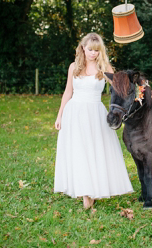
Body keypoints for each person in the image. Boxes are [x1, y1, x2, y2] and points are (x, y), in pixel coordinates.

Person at [53, 33, 133, 209]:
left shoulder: (104, 67)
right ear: (83, 48)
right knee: (79, 152)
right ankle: (85, 194)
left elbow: (120, 88)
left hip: (95, 113)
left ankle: (92, 189)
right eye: (90, 50)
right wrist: (60, 116)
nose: (93, 54)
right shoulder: (74, 66)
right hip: (74, 113)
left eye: (96, 51)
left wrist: (138, 88)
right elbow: (68, 92)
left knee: (94, 151)